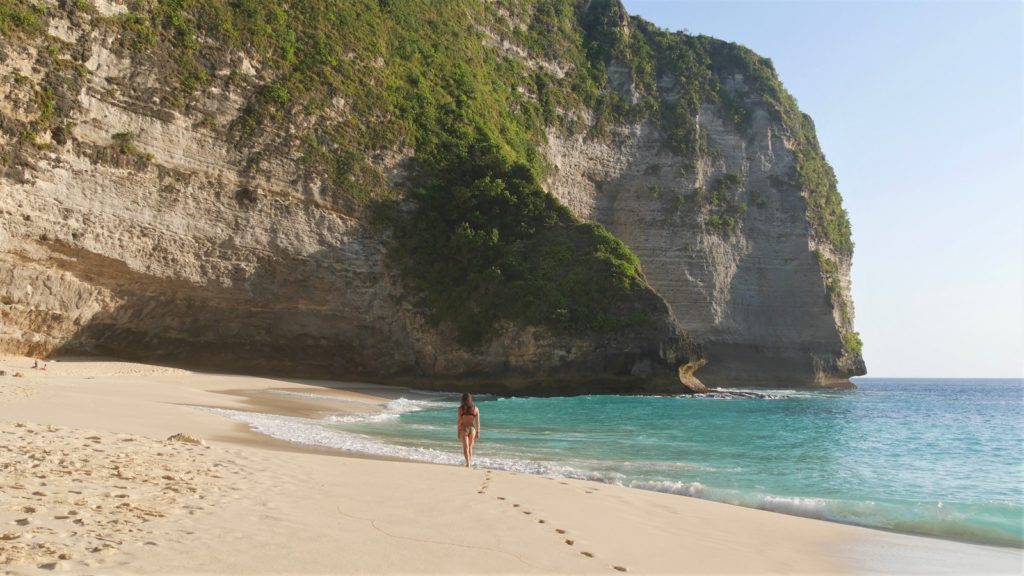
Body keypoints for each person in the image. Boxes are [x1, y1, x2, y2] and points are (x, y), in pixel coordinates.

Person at [457, 392, 480, 467]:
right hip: (472, 429)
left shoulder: (461, 409)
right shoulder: (475, 409)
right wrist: (478, 432)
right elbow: (477, 422)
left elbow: (459, 421)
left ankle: (468, 463)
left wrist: (458, 431)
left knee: (465, 447)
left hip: (464, 429)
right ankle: (469, 461)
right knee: (470, 447)